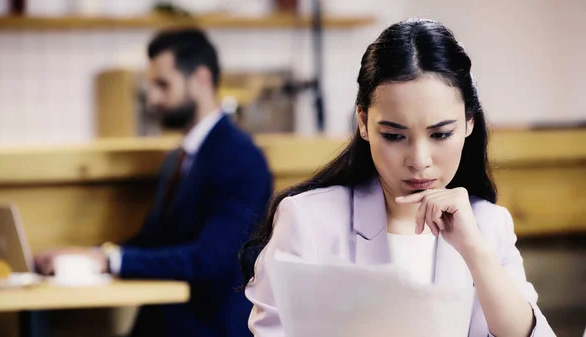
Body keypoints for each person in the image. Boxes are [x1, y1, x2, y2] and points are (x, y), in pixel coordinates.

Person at [240, 19, 555, 337]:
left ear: (469, 123)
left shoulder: (489, 225)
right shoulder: (307, 220)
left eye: (441, 134)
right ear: (363, 122)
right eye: (394, 136)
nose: (419, 161)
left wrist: (475, 250)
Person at [35, 29, 273, 337]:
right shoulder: (179, 157)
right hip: (168, 322)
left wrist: (107, 261)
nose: (152, 98)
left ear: (200, 79)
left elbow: (211, 258)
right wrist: (85, 256)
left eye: (163, 84)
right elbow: (153, 240)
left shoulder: (240, 157)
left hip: (209, 327)